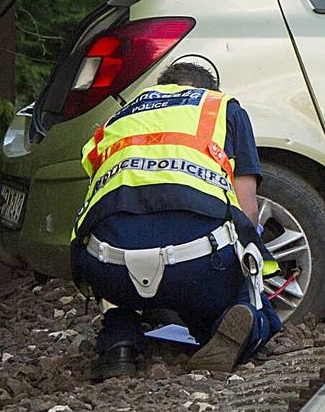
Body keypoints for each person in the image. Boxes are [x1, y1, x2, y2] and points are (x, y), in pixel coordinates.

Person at [71, 59, 281, 379]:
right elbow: (247, 208)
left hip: (109, 266)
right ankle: (229, 332)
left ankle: (119, 342)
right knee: (246, 305)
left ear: (161, 87)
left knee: (114, 245)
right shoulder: (222, 108)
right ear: (209, 90)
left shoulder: (118, 118)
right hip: (198, 263)